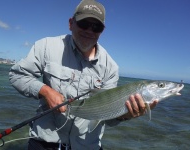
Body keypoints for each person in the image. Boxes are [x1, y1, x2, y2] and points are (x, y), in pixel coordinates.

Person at [9, 0, 158, 149]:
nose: (89, 31)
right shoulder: (46, 46)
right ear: (70, 23)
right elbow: (17, 75)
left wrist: (126, 114)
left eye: (96, 27)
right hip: (44, 143)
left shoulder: (111, 68)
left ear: (102, 31)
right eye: (84, 24)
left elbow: (108, 118)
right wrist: (45, 91)